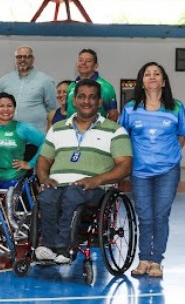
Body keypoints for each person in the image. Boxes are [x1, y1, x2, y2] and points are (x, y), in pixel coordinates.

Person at [35, 79, 132, 264]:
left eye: (92, 97)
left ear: (100, 102)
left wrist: (97, 180)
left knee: (72, 194)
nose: (86, 101)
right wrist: (44, 177)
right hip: (58, 185)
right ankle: (47, 246)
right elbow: (43, 160)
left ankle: (64, 247)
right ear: (74, 101)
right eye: (81, 97)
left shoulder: (115, 131)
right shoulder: (57, 128)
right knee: (47, 196)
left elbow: (125, 166)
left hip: (94, 188)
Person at [120, 62, 185, 278]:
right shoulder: (130, 108)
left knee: (160, 215)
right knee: (145, 216)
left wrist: (166, 156)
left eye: (156, 74)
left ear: (164, 81)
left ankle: (157, 261)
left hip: (168, 171)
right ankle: (143, 259)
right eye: (147, 74)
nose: (152, 77)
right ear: (142, 81)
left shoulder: (176, 107)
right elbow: (122, 138)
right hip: (140, 171)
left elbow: (181, 137)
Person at [0, 92, 44, 189]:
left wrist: (30, 164)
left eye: (9, 106)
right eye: (1, 106)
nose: (5, 109)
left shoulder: (23, 128)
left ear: (14, 109)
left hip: (14, 180)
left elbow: (45, 142)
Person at [0, 45, 57, 133]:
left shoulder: (46, 80)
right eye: (19, 57)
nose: (22, 60)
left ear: (33, 59)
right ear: (15, 59)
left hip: (36, 135)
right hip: (9, 134)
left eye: (26, 57)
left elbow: (52, 109)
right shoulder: (4, 81)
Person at [65, 49, 119, 121]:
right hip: (71, 131)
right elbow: (67, 111)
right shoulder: (71, 86)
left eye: (88, 61)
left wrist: (104, 131)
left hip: (96, 131)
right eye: (80, 60)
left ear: (95, 66)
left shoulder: (106, 88)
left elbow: (113, 115)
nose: (83, 63)